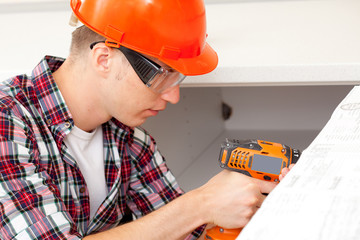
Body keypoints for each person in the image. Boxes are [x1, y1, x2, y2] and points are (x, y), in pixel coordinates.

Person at [0, 0, 284, 239]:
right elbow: (189, 213)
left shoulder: (131, 141)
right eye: (162, 74)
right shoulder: (7, 122)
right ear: (103, 60)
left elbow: (180, 228)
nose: (174, 97)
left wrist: (245, 200)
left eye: (178, 78)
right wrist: (201, 205)